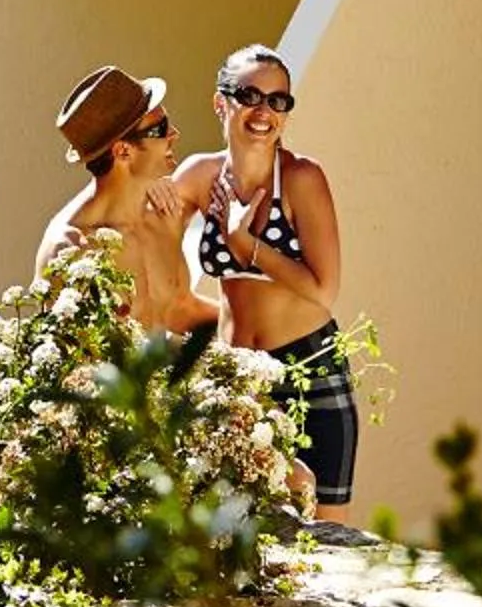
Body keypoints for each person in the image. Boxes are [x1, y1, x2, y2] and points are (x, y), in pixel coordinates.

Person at [176, 42, 359, 510]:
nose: (264, 111)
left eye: (279, 101)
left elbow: (324, 291)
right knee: (231, 535)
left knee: (326, 541)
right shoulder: (199, 175)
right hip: (238, 379)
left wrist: (247, 245)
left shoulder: (301, 178)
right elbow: (146, 237)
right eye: (250, 95)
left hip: (308, 371)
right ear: (221, 102)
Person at [36, 65, 221, 336]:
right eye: (161, 129)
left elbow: (180, 308)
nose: (174, 134)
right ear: (123, 151)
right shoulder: (71, 249)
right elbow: (70, 367)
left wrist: (268, 338)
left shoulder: (160, 214)